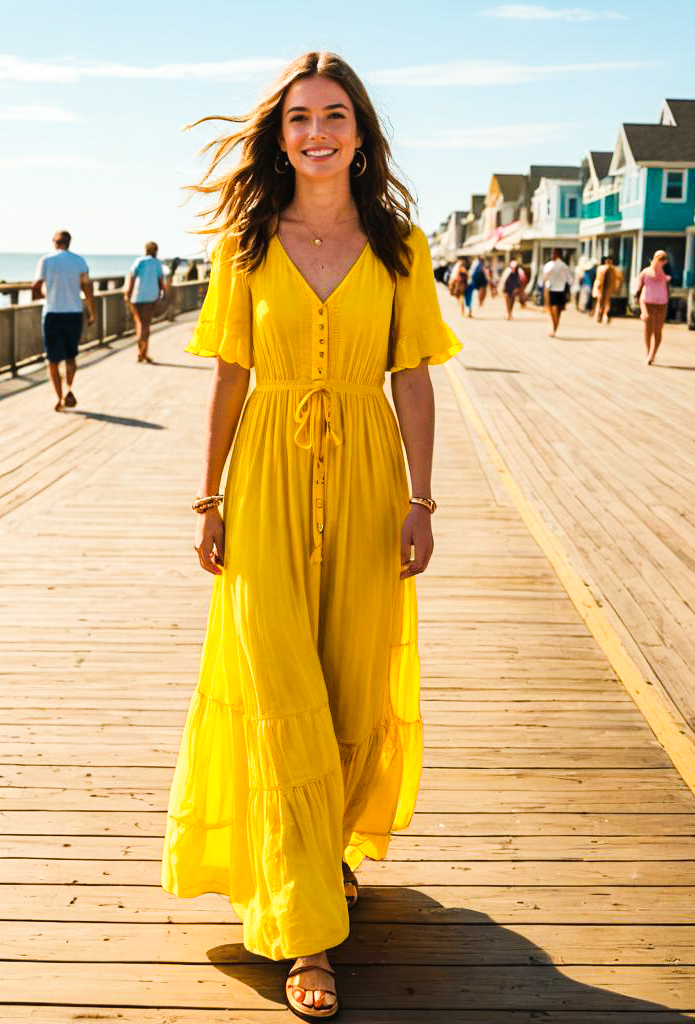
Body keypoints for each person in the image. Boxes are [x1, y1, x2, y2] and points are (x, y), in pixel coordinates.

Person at [161, 52, 461, 1021]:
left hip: (371, 480)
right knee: (280, 684)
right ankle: (306, 936)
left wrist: (422, 500)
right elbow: (229, 377)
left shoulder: (400, 245)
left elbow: (413, 374)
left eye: (334, 115)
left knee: (350, 679)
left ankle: (321, 855)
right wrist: (207, 501)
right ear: (279, 135)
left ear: (360, 133)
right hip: (268, 486)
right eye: (299, 118)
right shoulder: (245, 244)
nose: (316, 131)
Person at [32, 230, 95, 412]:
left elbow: (36, 286)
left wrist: (45, 294)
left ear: (54, 242)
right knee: (71, 356)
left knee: (52, 360)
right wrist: (92, 312)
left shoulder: (46, 261)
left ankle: (59, 398)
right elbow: (87, 287)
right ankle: (69, 389)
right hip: (74, 314)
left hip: (52, 313)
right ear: (69, 242)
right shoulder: (79, 261)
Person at [125, 241, 169, 364]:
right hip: (150, 299)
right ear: (155, 251)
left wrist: (128, 294)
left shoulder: (139, 261)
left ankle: (142, 353)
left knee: (139, 324)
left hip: (136, 298)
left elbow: (131, 278)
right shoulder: (157, 263)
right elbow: (161, 281)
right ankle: (142, 352)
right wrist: (164, 294)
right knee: (146, 326)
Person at [636, 249, 671, 365]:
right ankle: (648, 351)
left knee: (658, 330)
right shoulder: (646, 272)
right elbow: (639, 289)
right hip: (648, 302)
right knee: (648, 329)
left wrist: (661, 266)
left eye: (664, 258)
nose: (661, 260)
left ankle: (653, 353)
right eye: (659, 257)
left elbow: (666, 280)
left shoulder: (666, 271)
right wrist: (641, 308)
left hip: (662, 303)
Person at [541, 247, 573, 337]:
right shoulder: (548, 265)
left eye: (555, 253)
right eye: (552, 253)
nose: (553, 255)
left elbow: (570, 280)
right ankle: (552, 327)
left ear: (559, 255)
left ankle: (554, 328)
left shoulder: (563, 266)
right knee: (552, 309)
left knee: (558, 311)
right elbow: (544, 279)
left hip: (560, 290)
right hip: (550, 290)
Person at [593, 255, 621, 324]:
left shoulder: (614, 269)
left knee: (607, 302)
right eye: (607, 260)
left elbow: (618, 278)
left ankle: (604, 315)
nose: (608, 261)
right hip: (601, 287)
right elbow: (599, 278)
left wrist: (617, 287)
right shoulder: (601, 268)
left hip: (608, 287)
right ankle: (598, 315)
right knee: (599, 301)